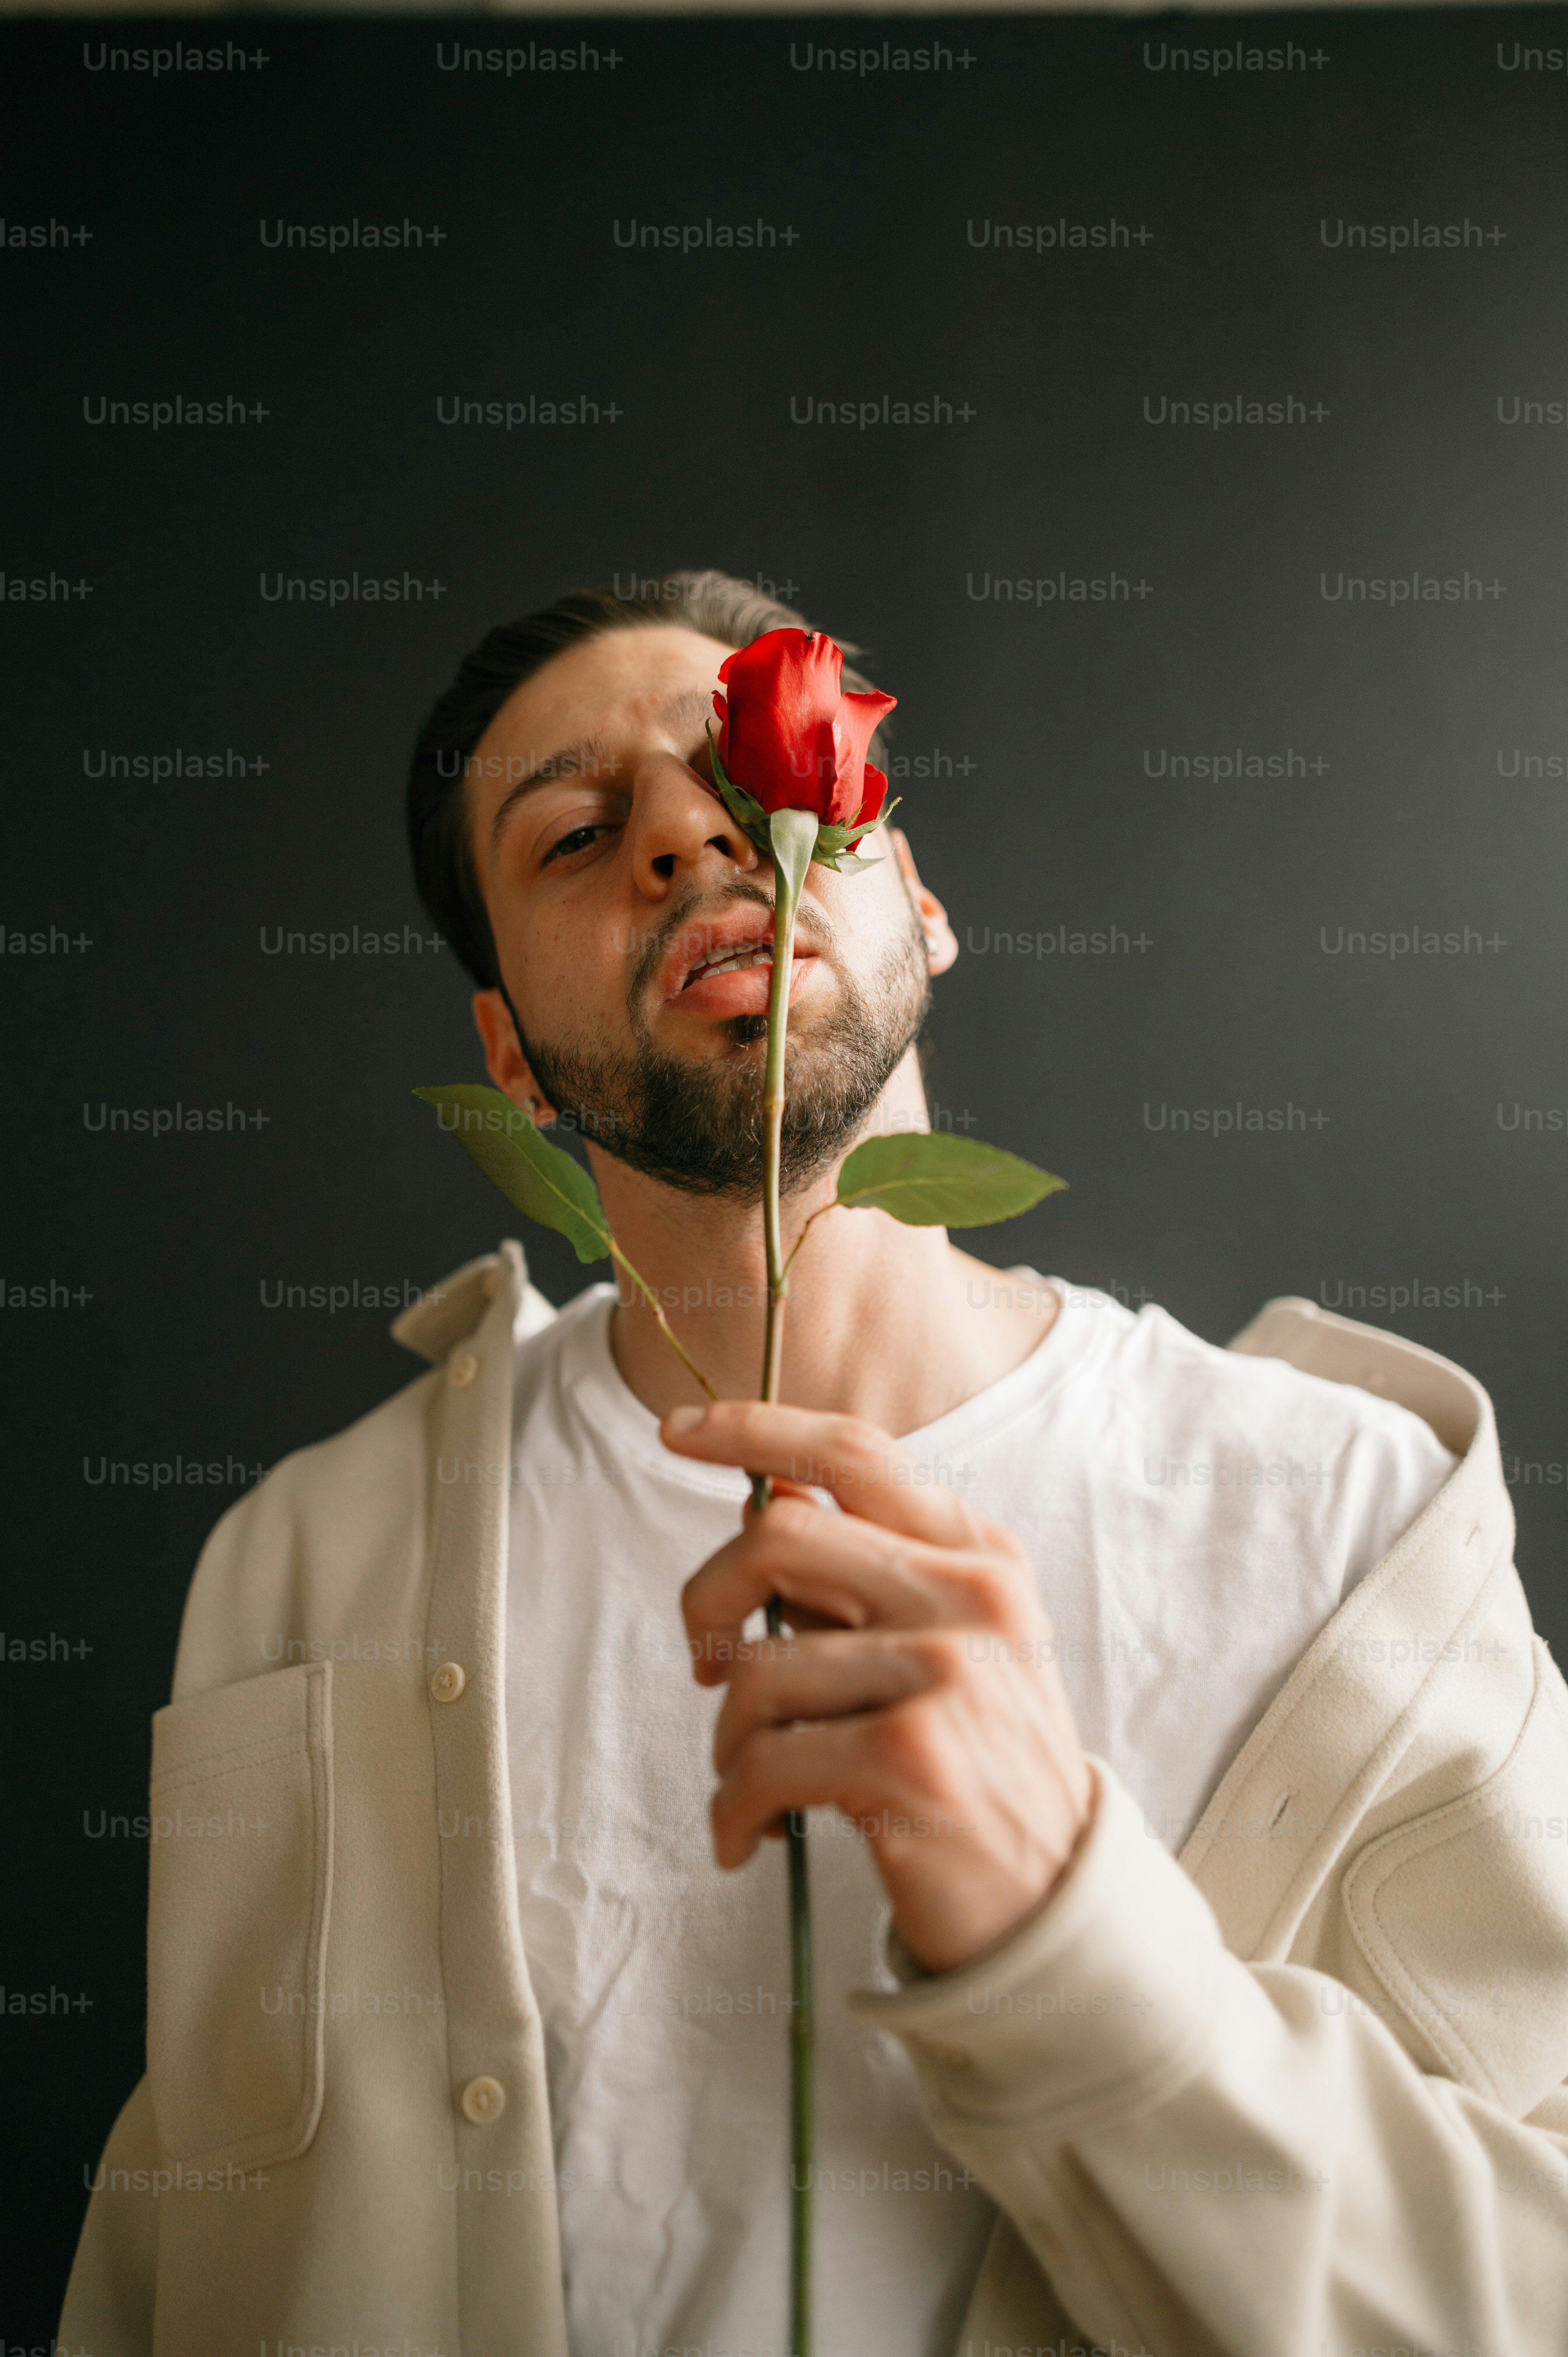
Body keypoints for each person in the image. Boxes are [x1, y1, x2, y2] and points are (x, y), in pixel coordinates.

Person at [64, 571, 1568, 2357]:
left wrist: (1064, 1926)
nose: (693, 836)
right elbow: (175, 2247)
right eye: (577, 834)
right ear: (510, 1058)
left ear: (916, 904)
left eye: (751, 782)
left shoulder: (1347, 1524)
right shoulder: (304, 1556)